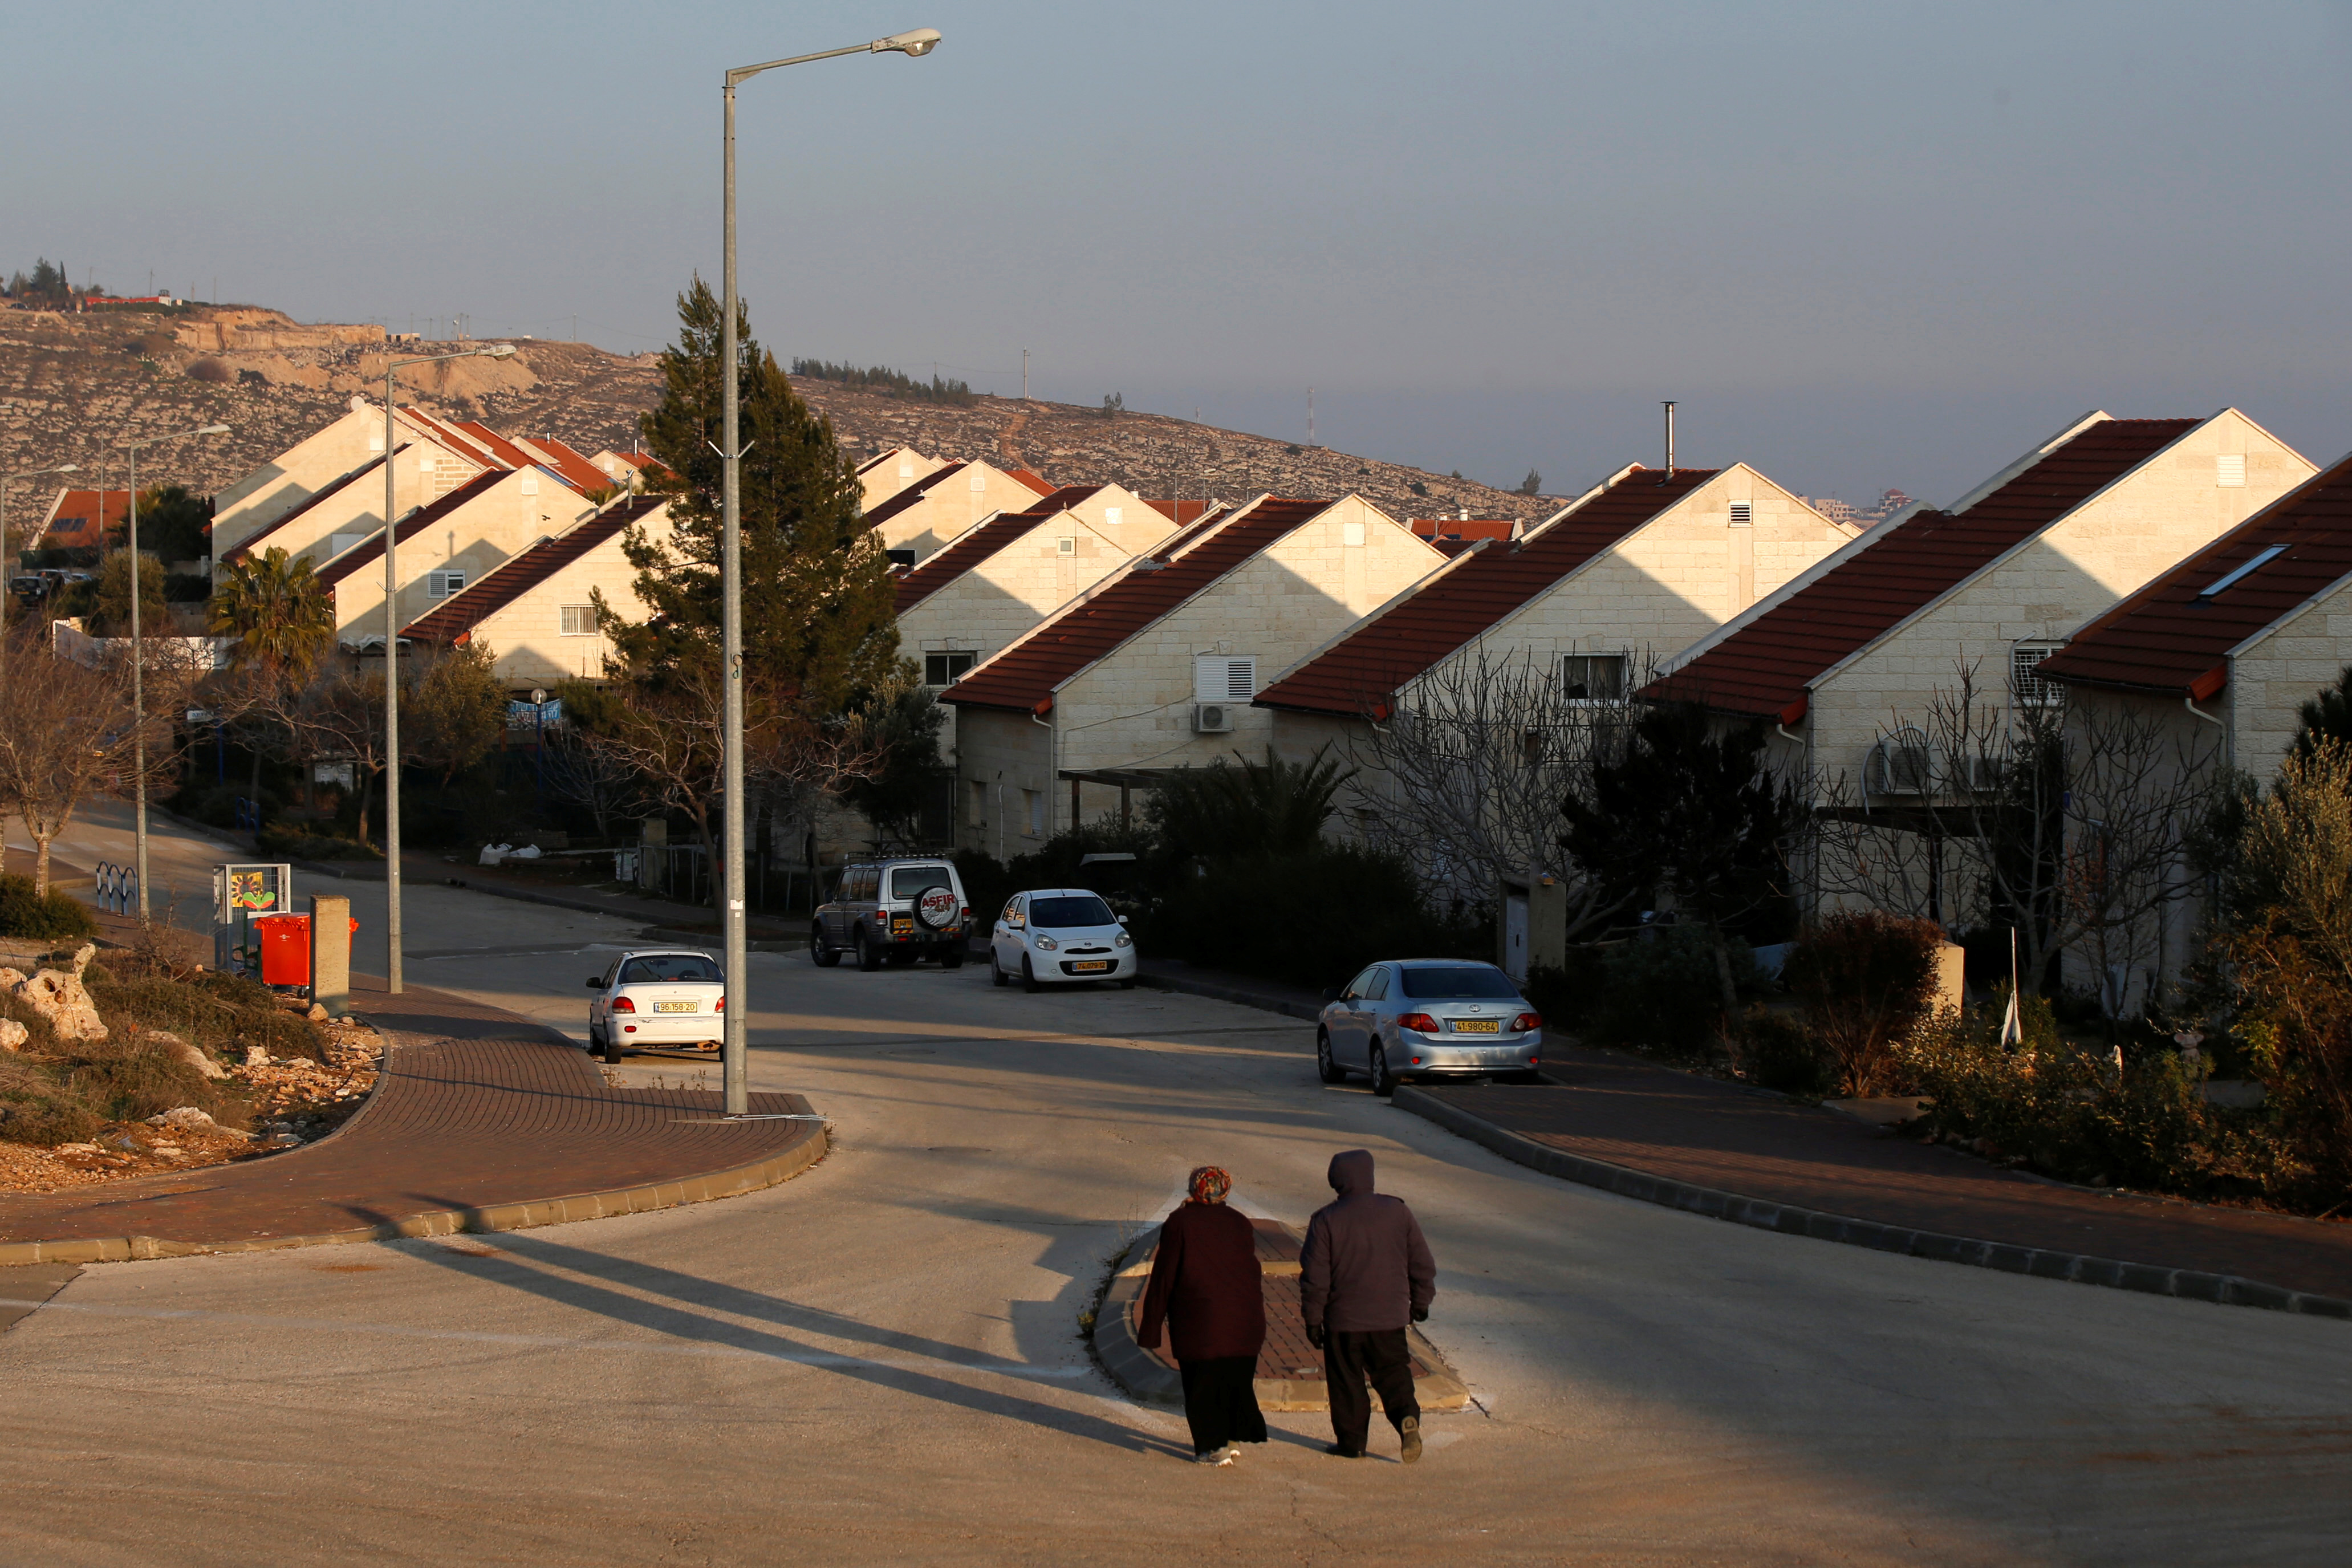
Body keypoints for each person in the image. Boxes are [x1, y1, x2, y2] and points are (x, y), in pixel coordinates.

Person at [1299, 1148, 1436, 1463]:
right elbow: (1421, 1263)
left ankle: (1353, 1442)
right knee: (1393, 1372)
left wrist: (1313, 1318)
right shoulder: (1398, 1212)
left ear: (1336, 1181)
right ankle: (1405, 1417)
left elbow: (1315, 1278)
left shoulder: (1325, 1220)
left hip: (1343, 1320)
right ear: (1370, 1176)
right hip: (1389, 1317)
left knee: (1347, 1382)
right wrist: (1421, 1301)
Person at [1135, 1165, 1270, 1465]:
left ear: (1194, 1189)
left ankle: (1215, 1447)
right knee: (1236, 1379)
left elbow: (1164, 1277)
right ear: (1225, 1190)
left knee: (1203, 1385)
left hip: (1199, 1319)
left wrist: (1151, 1327)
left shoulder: (1181, 1223)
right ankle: (1231, 1438)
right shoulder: (1239, 1222)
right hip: (1245, 1319)